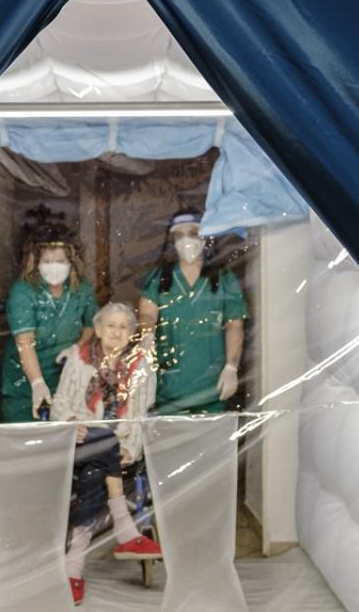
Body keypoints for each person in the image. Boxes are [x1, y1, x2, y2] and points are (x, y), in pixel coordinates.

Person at [52, 301, 162, 605]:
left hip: (116, 449)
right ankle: (126, 528)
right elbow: (60, 405)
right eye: (110, 326)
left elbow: (141, 415)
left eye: (123, 327)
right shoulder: (79, 360)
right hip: (78, 442)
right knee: (104, 439)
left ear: (131, 333)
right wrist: (72, 424)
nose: (116, 332)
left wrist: (130, 447)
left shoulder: (141, 367)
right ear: (98, 330)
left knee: (94, 471)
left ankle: (73, 567)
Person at [137, 208, 248, 415]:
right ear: (172, 240)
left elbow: (235, 325)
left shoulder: (223, 278)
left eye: (193, 233)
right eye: (179, 235)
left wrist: (231, 367)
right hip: (169, 389)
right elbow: (147, 315)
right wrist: (147, 335)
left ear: (206, 237)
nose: (186, 240)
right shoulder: (159, 278)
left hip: (212, 388)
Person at [0, 220, 96, 423]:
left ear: (72, 261)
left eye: (60, 261)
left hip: (67, 381)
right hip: (24, 387)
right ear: (35, 262)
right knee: (29, 436)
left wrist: (76, 348)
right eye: (47, 261)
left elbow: (91, 325)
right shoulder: (23, 291)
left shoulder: (81, 289)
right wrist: (37, 383)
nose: (54, 267)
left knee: (68, 436)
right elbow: (25, 342)